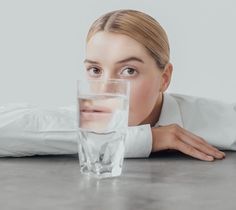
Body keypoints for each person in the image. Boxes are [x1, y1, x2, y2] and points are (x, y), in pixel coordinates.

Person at [0, 9, 234, 161]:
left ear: (164, 78)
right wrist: (148, 139)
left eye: (129, 71)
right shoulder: (87, 117)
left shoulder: (211, 120)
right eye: (95, 70)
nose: (105, 90)